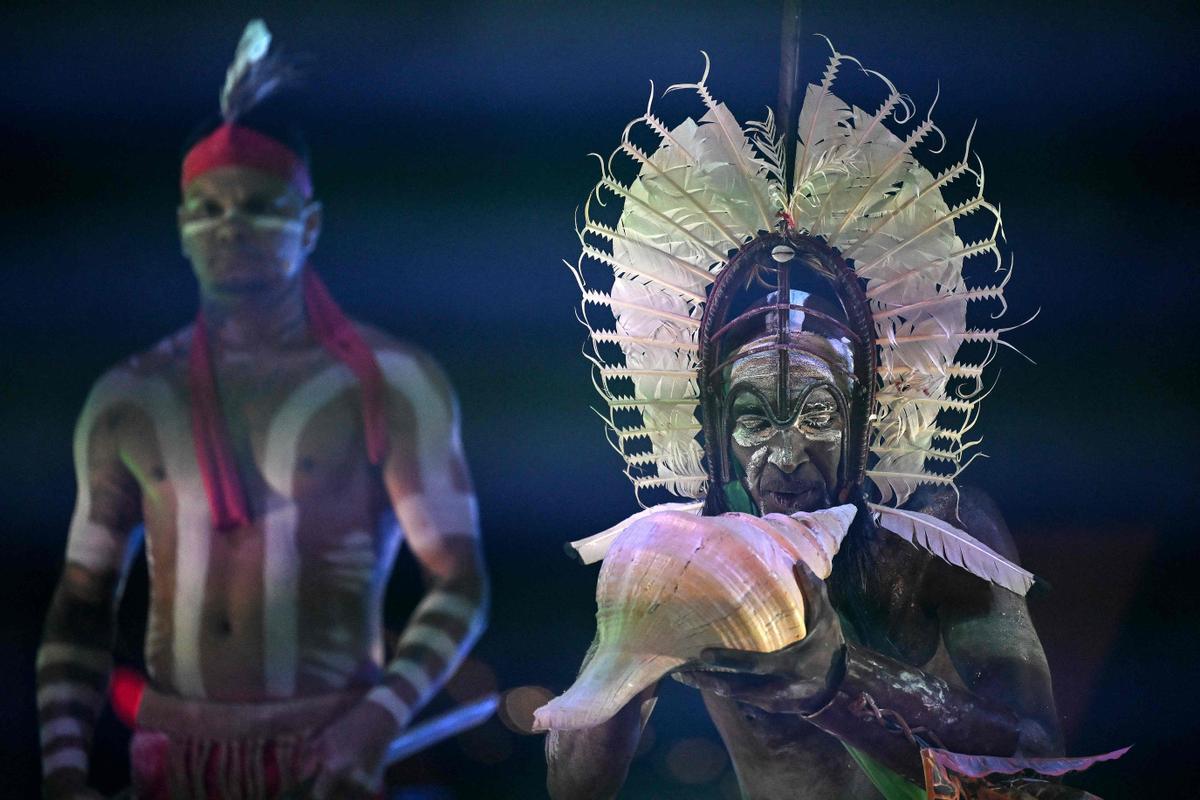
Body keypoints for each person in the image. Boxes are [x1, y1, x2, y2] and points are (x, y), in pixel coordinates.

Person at [543, 44, 1106, 799]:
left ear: (867, 417)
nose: (782, 454)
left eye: (814, 413)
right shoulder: (687, 550)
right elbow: (575, 790)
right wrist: (624, 657)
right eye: (752, 419)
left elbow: (1038, 761)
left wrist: (842, 682)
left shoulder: (942, 528)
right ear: (713, 430)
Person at [36, 21, 487, 800]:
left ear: (310, 225)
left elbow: (459, 584)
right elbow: (81, 602)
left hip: (329, 751)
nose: (229, 225)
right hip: (171, 758)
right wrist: (65, 771)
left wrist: (375, 721)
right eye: (204, 207)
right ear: (179, 228)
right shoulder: (128, 399)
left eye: (256, 205)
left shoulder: (391, 382)